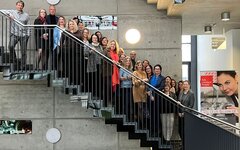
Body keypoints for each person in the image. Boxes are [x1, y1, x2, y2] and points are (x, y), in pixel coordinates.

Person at [6, 0, 30, 69]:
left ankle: (23, 66)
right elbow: (2, 11)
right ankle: (14, 61)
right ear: (16, 6)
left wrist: (27, 35)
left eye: (21, 5)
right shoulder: (12, 12)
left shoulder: (26, 15)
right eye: (18, 5)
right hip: (14, 33)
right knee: (11, 46)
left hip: (23, 35)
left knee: (23, 51)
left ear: (23, 7)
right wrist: (9, 15)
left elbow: (28, 25)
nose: (20, 6)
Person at [178, 80, 195, 149]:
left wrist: (184, 113)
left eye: (186, 84)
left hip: (187, 115)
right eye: (184, 84)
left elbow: (191, 106)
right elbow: (179, 102)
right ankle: (183, 143)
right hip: (180, 114)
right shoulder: (181, 92)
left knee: (185, 131)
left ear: (189, 85)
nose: (185, 85)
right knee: (180, 130)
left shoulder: (191, 93)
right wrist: (179, 112)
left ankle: (185, 145)